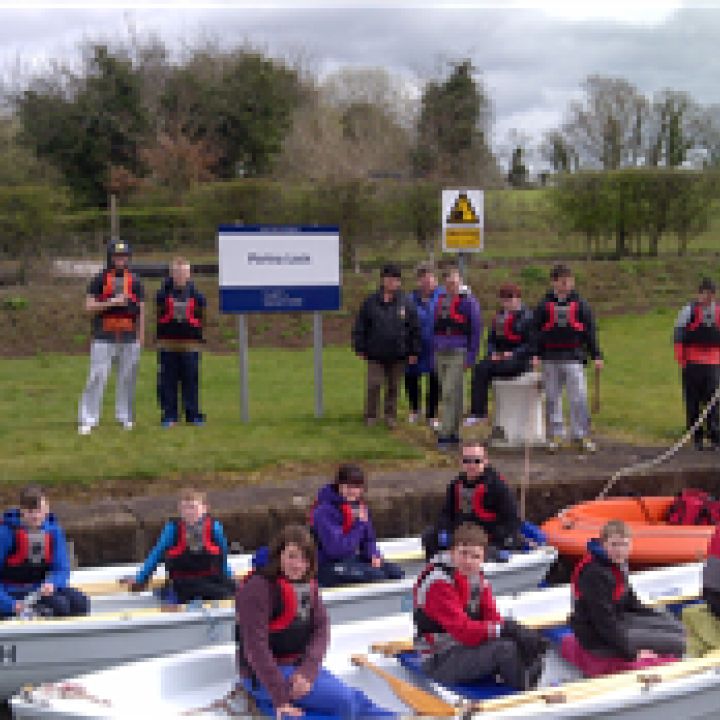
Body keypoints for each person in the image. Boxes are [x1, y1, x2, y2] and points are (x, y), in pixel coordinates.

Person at [236, 524, 393, 719]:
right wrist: (280, 697)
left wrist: (308, 671)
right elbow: (255, 647)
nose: (298, 565)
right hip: (263, 675)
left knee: (351, 699)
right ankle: (264, 704)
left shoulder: (307, 584)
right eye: (292, 556)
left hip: (298, 665)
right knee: (343, 702)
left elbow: (321, 627)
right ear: (279, 555)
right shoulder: (258, 589)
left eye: (305, 558)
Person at [413, 522, 546, 691]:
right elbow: (463, 631)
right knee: (505, 650)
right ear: (452, 552)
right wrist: (503, 629)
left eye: (475, 556)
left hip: (462, 647)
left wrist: (515, 632)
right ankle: (524, 695)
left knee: (523, 643)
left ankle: (522, 682)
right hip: (439, 658)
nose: (468, 561)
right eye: (463, 554)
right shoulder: (439, 583)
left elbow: (492, 617)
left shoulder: (477, 578)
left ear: (483, 558)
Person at [569, 520, 686, 663]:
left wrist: (657, 618)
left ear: (631, 545)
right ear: (603, 544)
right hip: (597, 636)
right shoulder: (594, 573)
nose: (619, 550)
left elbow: (630, 599)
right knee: (678, 643)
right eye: (614, 545)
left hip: (619, 618)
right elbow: (603, 621)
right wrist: (632, 653)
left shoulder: (618, 563)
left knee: (678, 627)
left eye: (624, 544)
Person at [530, 264, 602, 453]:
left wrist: (596, 355)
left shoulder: (581, 305)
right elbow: (535, 332)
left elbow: (590, 331)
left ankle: (581, 435)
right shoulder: (544, 305)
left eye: (570, 281)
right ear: (554, 282)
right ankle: (556, 435)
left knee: (578, 397)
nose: (568, 285)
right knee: (552, 397)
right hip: (550, 358)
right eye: (563, 281)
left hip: (574, 357)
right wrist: (536, 354)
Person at [78, 239, 145, 435]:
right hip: (103, 335)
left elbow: (141, 309)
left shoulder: (135, 280)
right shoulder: (99, 279)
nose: (120, 259)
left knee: (127, 378)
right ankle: (88, 418)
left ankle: (125, 416)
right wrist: (111, 302)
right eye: (117, 256)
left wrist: (141, 336)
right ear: (110, 257)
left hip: (129, 336)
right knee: (97, 376)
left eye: (123, 256)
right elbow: (89, 307)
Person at [123, 488, 235, 604]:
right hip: (183, 582)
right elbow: (155, 556)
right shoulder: (172, 530)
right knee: (216, 593)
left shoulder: (215, 528)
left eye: (192, 507)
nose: (188, 512)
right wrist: (140, 579)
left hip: (210, 578)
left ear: (204, 509)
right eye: (184, 508)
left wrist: (229, 578)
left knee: (233, 590)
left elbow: (223, 557)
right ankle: (166, 592)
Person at [422, 440, 521, 561]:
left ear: (485, 461)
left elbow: (512, 520)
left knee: (478, 549)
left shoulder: (497, 487)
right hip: (462, 534)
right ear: (461, 462)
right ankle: (436, 570)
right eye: (466, 461)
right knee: (429, 536)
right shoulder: (455, 485)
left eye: (477, 461)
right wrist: (444, 530)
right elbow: (446, 513)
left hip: (489, 537)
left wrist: (494, 539)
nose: (471, 465)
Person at [0, 485, 89, 619]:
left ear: (46, 508)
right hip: (10, 593)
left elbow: (61, 568)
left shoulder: (54, 531)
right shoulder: (5, 533)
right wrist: (10, 605)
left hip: (38, 590)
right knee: (60, 606)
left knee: (81, 603)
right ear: (21, 510)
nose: (35, 516)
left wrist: (52, 584)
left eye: (39, 510)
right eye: (30, 511)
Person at [311, 464, 404, 587]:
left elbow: (368, 539)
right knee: (376, 577)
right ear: (339, 485)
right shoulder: (324, 512)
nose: (353, 491)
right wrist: (359, 525)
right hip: (328, 566)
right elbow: (336, 550)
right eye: (348, 486)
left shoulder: (359, 507)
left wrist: (373, 555)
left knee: (395, 572)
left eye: (357, 487)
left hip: (350, 560)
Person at [352, 263, 421, 428]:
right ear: (382, 280)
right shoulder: (370, 302)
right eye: (388, 279)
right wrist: (359, 346)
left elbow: (414, 329)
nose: (392, 283)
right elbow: (361, 326)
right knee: (374, 384)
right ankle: (370, 416)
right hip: (375, 353)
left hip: (398, 353)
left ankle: (390, 416)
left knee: (393, 387)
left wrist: (413, 351)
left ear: (399, 282)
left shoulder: (406, 303)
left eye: (395, 280)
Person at [466, 282, 533, 426]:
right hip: (499, 356)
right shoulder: (498, 317)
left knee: (504, 368)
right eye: (504, 299)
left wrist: (513, 353)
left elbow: (530, 344)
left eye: (510, 299)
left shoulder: (528, 317)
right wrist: (493, 353)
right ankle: (478, 413)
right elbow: (490, 340)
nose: (507, 303)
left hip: (519, 359)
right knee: (480, 369)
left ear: (518, 299)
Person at [433, 266, 482, 451]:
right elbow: (434, 326)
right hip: (440, 351)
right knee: (453, 394)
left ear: (459, 280)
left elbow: (476, 330)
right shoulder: (440, 300)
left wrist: (471, 356)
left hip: (458, 351)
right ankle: (453, 432)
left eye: (453, 282)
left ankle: (445, 434)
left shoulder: (469, 302)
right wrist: (434, 349)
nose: (451, 285)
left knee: (448, 392)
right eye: (447, 283)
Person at [156, 257, 207, 427]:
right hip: (168, 345)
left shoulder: (198, 296)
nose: (180, 276)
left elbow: (202, 318)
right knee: (167, 382)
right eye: (177, 273)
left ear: (189, 274)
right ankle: (170, 416)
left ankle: (193, 415)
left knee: (191, 381)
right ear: (172, 274)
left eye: (184, 272)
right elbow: (158, 317)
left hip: (190, 346)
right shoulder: (162, 295)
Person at [673, 278, 720, 451]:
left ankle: (715, 436)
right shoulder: (688, 311)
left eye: (710, 294)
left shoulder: (718, 311)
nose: (706, 298)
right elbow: (678, 335)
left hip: (713, 363)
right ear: (699, 294)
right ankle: (696, 437)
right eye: (704, 293)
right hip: (692, 362)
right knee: (692, 402)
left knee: (713, 402)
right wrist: (682, 359)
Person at [405, 263, 441, 428]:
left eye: (430, 279)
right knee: (412, 377)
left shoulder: (443, 296)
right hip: (415, 345)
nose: (427, 282)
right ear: (418, 281)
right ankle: (414, 410)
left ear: (435, 280)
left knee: (435, 379)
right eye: (423, 279)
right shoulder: (409, 299)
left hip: (436, 346)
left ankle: (432, 414)